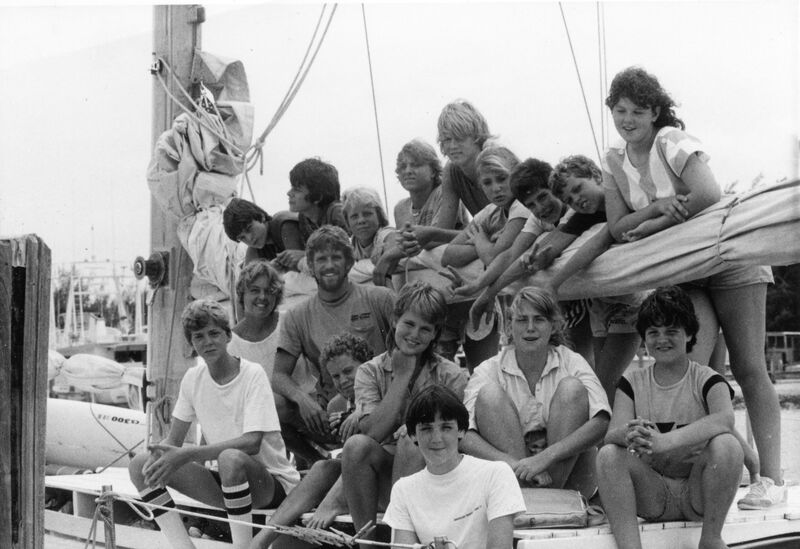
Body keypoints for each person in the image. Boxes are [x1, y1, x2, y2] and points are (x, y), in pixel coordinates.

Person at [578, 66, 781, 508]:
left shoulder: (671, 141)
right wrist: (659, 210)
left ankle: (770, 478)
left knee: (748, 367)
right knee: (693, 368)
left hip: (726, 258)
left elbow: (706, 193)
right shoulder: (613, 161)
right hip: (684, 269)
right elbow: (617, 225)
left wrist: (654, 219)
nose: (627, 119)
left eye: (637, 110)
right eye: (619, 110)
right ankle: (703, 467)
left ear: (654, 112)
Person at [128, 300, 299, 549]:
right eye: (199, 336)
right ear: (192, 343)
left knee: (230, 458)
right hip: (228, 483)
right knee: (140, 465)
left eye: (214, 333)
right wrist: (160, 454)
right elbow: (173, 442)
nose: (207, 342)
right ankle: (183, 546)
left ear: (228, 335)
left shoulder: (252, 374)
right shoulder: (193, 378)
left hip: (272, 485)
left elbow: (252, 443)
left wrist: (188, 454)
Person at [596, 286, 751, 549]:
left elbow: (725, 420)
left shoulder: (707, 379)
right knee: (609, 454)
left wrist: (665, 441)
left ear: (689, 333)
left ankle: (711, 539)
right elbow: (611, 433)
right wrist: (630, 433)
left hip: (700, 495)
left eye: (671, 331)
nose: (662, 339)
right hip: (655, 495)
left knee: (728, 444)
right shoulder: (631, 382)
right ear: (643, 338)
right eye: (653, 332)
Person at [341, 282, 469, 549]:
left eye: (425, 329)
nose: (414, 335)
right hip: (386, 477)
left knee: (413, 442)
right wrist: (401, 376)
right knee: (356, 446)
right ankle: (366, 546)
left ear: (435, 334)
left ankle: (400, 544)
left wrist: (415, 429)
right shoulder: (369, 371)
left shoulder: (450, 374)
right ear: (395, 319)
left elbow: (454, 435)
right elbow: (372, 433)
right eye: (409, 324)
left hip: (434, 474)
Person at [512, 154, 644, 404]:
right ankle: (608, 440)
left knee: (601, 385)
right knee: (602, 385)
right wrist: (540, 257)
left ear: (597, 177)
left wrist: (554, 283)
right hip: (600, 306)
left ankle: (606, 439)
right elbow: (555, 244)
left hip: (628, 303)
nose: (576, 200)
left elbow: (599, 242)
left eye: (578, 189)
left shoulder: (622, 204)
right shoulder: (583, 216)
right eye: (569, 199)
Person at [461, 287, 610, 499]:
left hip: (568, 478)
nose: (530, 328)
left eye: (539, 320)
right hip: (510, 478)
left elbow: (601, 422)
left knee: (572, 388)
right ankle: (530, 498)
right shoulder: (488, 369)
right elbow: (464, 434)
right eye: (522, 320)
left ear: (553, 326)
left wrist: (545, 457)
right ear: (509, 327)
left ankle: (546, 499)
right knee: (489, 395)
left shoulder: (572, 362)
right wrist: (517, 464)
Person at [272, 225, 394, 464]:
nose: (329, 265)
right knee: (275, 405)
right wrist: (302, 400)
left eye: (336, 257)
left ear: (349, 263)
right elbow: (278, 375)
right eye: (321, 259)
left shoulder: (380, 298)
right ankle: (319, 461)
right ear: (311, 265)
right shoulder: (298, 316)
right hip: (332, 412)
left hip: (380, 407)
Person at [250, 333, 373, 549]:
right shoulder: (338, 405)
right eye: (335, 376)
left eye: (348, 371)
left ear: (367, 365)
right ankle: (260, 541)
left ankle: (333, 502)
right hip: (354, 475)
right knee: (322, 466)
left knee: (349, 454)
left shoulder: (381, 389)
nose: (342, 381)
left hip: (381, 475)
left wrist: (360, 416)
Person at [383, 385, 526, 549]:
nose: (437, 439)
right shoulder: (403, 489)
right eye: (427, 429)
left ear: (461, 431)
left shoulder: (496, 474)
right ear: (413, 435)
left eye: (446, 428)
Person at [390, 139, 469, 273]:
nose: (408, 171)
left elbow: (435, 241)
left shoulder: (445, 193)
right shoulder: (400, 209)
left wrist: (394, 252)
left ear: (433, 171)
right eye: (403, 167)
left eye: (415, 165)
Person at [441, 145, 527, 268]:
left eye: (502, 179)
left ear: (517, 175)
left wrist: (480, 241)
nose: (496, 188)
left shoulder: (523, 205)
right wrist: (487, 245)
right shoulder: (490, 212)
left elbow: (492, 259)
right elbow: (447, 257)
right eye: (487, 182)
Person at [277, 158, 349, 271]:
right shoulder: (304, 217)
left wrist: (304, 256)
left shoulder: (337, 212)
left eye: (297, 189)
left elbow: (351, 250)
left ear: (317, 197)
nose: (289, 193)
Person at [435, 99, 493, 228]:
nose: (453, 146)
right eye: (447, 139)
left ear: (477, 136)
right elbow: (443, 228)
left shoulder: (494, 159)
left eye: (460, 138)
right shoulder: (451, 171)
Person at [228, 260, 284, 380]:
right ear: (242, 295)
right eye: (254, 290)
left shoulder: (289, 322)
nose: (262, 297)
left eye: (269, 291)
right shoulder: (231, 344)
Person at [223, 197, 303, 264]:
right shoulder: (255, 249)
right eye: (242, 237)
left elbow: (299, 268)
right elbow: (248, 279)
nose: (250, 238)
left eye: (249, 228)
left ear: (261, 217)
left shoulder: (283, 225)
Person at [341, 186, 397, 265]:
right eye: (354, 216)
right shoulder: (350, 245)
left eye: (367, 214)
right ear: (347, 221)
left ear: (379, 216)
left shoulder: (383, 234)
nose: (361, 220)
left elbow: (393, 237)